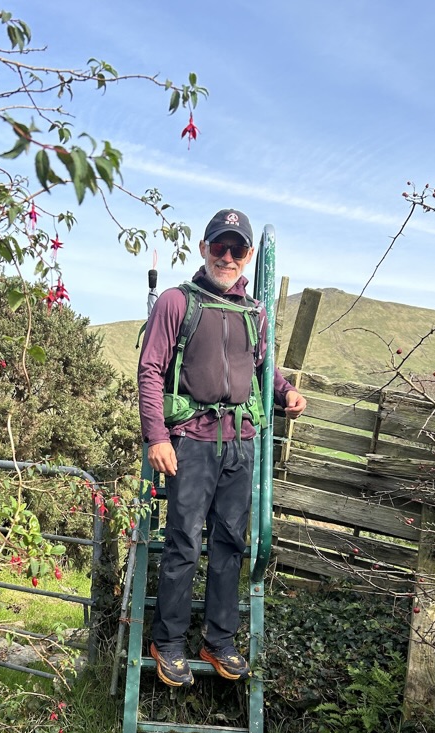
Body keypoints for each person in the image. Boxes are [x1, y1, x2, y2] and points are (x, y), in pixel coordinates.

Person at [137, 209, 306, 688]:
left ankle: (218, 641)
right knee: (184, 542)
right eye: (219, 246)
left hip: (240, 443)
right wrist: (157, 436)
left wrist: (286, 392)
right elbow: (150, 370)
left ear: (249, 255)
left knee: (231, 544)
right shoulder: (177, 302)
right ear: (204, 249)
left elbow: (263, 368)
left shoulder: (256, 313)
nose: (227, 257)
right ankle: (168, 642)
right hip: (190, 441)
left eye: (237, 249)